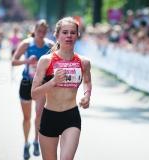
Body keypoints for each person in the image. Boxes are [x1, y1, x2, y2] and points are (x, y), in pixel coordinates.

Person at [31, 17, 92, 160]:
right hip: (49, 117)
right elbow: (34, 94)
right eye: (65, 32)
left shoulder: (84, 62)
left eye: (72, 32)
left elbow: (87, 82)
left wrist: (87, 95)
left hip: (71, 117)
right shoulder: (46, 61)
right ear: (57, 36)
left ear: (77, 35)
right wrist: (53, 81)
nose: (69, 36)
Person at [11, 19, 55, 159]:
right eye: (39, 31)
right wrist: (27, 61)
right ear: (35, 31)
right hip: (26, 82)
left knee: (39, 114)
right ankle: (26, 144)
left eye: (44, 32)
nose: (41, 34)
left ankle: (36, 140)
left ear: (46, 32)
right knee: (27, 117)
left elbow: (57, 62)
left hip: (41, 83)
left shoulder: (50, 45)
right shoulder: (26, 44)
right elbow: (13, 61)